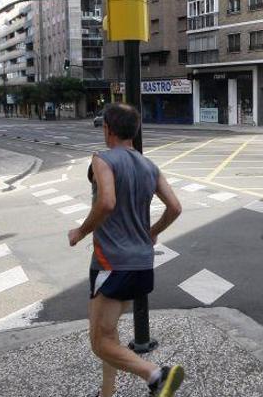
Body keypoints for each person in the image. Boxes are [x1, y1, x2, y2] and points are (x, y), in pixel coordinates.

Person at [68, 103, 185, 397]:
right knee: (109, 334)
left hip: (112, 264)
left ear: (107, 129)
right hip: (141, 265)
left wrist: (80, 232)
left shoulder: (103, 159)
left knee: (99, 342)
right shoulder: (149, 166)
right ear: (134, 131)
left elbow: (106, 202)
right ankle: (107, 393)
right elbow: (175, 207)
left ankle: (156, 375)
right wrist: (152, 233)